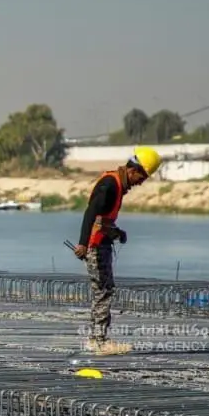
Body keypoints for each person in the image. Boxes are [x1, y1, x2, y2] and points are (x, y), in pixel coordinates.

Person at [72, 145, 161, 354]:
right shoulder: (110, 185)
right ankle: (100, 342)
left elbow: (103, 219)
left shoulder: (117, 185)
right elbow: (91, 213)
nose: (140, 182)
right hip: (95, 246)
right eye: (141, 177)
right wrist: (83, 243)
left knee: (101, 291)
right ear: (132, 170)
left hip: (100, 243)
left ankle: (95, 339)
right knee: (104, 291)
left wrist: (117, 233)